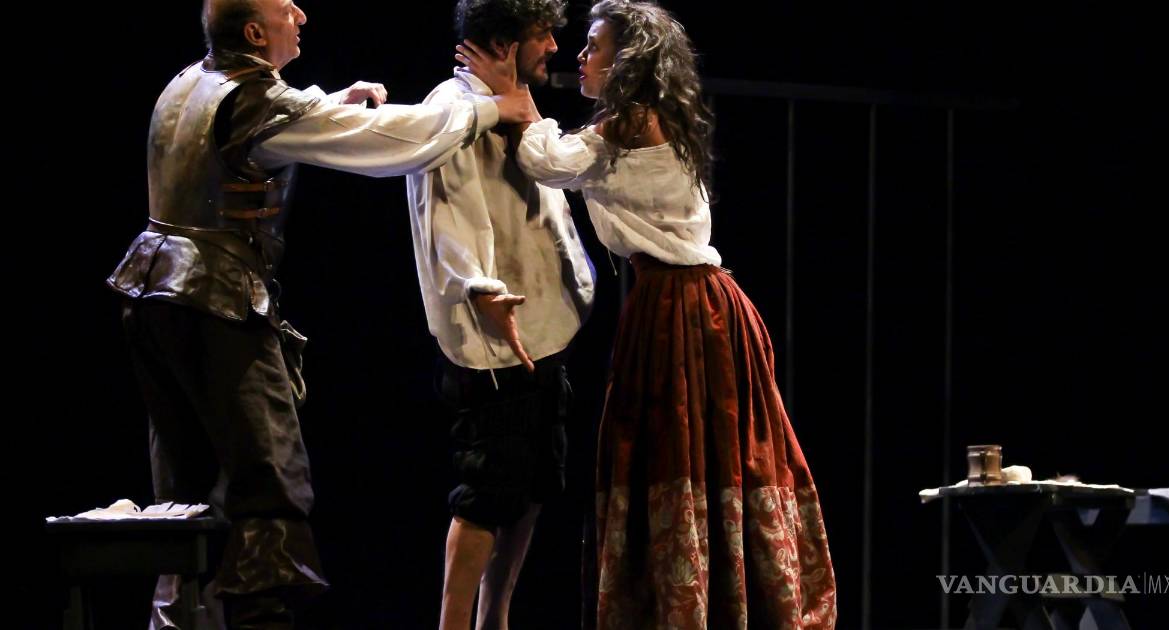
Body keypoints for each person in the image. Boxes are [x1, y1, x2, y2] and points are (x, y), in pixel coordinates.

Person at [107, 0, 535, 627]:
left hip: (153, 294)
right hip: (214, 303)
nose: (301, 15)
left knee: (190, 489)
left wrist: (332, 103)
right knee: (269, 486)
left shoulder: (191, 82)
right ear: (256, 33)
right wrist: (489, 109)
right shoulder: (256, 102)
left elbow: (250, 138)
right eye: (286, 9)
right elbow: (392, 143)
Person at [457, 1, 837, 627]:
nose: (581, 56)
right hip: (696, 304)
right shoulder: (650, 119)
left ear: (628, 60)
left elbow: (547, 163)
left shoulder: (631, 120)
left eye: (595, 46)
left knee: (677, 450)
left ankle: (690, 607)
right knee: (694, 450)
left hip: (682, 308)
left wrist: (513, 98)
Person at [405, 1, 595, 628]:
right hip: (493, 337)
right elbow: (445, 211)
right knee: (486, 490)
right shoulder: (452, 107)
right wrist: (480, 287)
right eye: (544, 34)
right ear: (507, 42)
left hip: (541, 329)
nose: (555, 47)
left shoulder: (518, 105)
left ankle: (496, 615)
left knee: (534, 482)